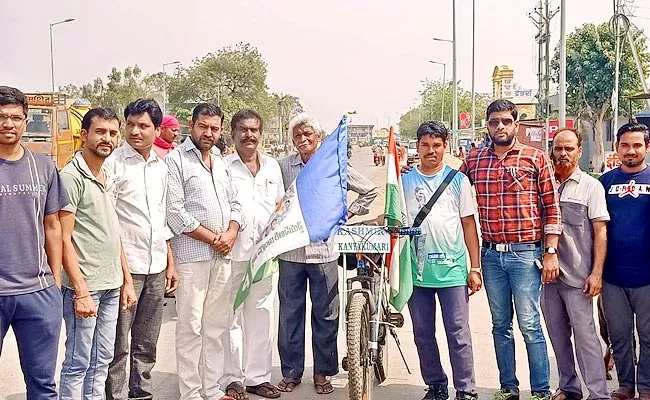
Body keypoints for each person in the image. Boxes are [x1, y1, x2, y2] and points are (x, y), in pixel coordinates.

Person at [461, 99, 561, 400]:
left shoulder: (535, 158)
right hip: (491, 256)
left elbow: (552, 209)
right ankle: (508, 388)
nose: (500, 127)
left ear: (516, 124)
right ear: (487, 125)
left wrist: (550, 251)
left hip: (526, 255)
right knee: (500, 325)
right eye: (494, 122)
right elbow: (449, 190)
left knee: (530, 324)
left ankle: (541, 390)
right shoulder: (475, 160)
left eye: (506, 121)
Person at [276, 113, 378, 395]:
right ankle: (291, 372)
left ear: (319, 138)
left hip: (324, 253)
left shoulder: (334, 165)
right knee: (289, 315)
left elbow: (369, 190)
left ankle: (323, 372)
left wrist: (344, 215)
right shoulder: (283, 167)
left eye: (308, 134)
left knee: (326, 315)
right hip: (290, 254)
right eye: (297, 135)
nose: (303, 140)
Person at [59, 107, 138, 399]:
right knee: (78, 362)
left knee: (101, 360)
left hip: (111, 285)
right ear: (85, 135)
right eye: (100, 132)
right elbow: (63, 238)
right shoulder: (72, 177)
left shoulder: (106, 176)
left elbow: (112, 232)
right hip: (86, 287)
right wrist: (79, 290)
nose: (107, 138)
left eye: (113, 133)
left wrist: (126, 280)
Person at [166, 103, 243, 400]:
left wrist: (232, 231)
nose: (208, 133)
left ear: (220, 129)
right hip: (192, 257)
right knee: (190, 328)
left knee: (215, 327)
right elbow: (175, 213)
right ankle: (191, 394)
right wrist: (214, 238)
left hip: (222, 256)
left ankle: (212, 390)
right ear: (191, 124)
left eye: (214, 127)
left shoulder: (222, 163)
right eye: (203, 126)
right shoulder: (175, 161)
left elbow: (237, 205)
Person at [105, 99, 179, 400]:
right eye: (131, 125)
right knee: (118, 342)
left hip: (156, 266)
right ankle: (116, 396)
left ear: (157, 129)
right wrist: (123, 277)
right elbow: (110, 224)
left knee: (147, 340)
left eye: (143, 126)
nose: (135, 131)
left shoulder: (162, 167)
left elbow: (162, 219)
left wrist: (170, 263)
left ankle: (142, 394)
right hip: (127, 267)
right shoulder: (114, 165)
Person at [401, 121, 482, 400]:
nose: (431, 151)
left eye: (437, 145)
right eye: (425, 145)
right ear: (418, 146)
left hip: (453, 271)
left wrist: (475, 267)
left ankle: (466, 390)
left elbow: (469, 225)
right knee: (423, 334)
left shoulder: (458, 181)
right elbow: (395, 221)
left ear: (445, 147)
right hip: (417, 271)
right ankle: (436, 384)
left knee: (458, 334)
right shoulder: (404, 182)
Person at [0, 86, 69, 399]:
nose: (8, 124)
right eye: (2, 117)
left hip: (38, 294)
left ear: (25, 122)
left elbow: (53, 226)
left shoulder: (43, 168)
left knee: (42, 385)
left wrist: (54, 282)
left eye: (15, 117)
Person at [540, 128, 609, 400]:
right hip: (547, 275)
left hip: (579, 278)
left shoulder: (591, 187)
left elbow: (600, 231)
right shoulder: (544, 184)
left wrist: (596, 273)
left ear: (579, 150)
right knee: (557, 336)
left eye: (569, 148)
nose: (563, 154)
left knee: (586, 338)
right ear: (552, 150)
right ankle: (569, 388)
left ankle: (598, 393)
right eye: (559, 148)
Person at [221, 109, 284, 400]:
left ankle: (258, 377)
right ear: (233, 134)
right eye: (243, 130)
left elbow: (280, 205)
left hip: (264, 256)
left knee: (261, 315)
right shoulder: (222, 167)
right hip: (230, 255)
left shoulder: (272, 167)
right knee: (230, 318)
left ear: (261, 134)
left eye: (254, 130)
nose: (249, 135)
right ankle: (233, 379)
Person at [599, 122, 650, 400]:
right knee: (619, 336)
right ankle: (625, 386)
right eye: (625, 145)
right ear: (617, 148)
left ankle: (646, 387)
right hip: (612, 276)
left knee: (649, 336)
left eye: (637, 145)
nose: (630, 151)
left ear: (647, 147)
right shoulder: (604, 183)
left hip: (647, 277)